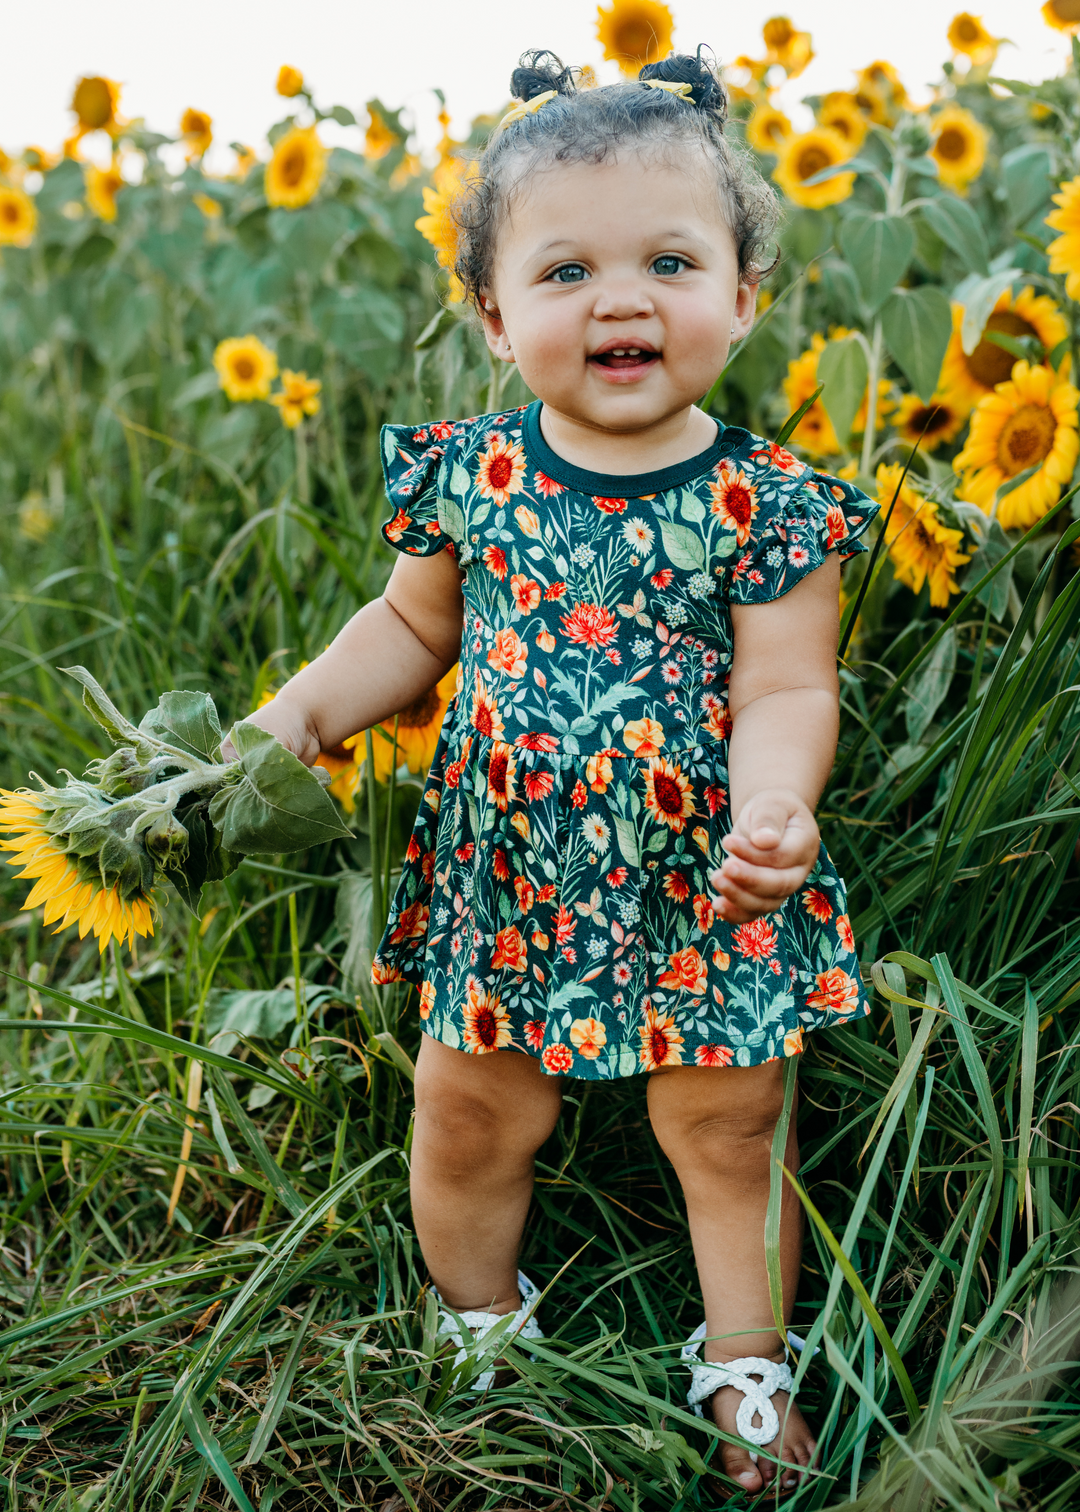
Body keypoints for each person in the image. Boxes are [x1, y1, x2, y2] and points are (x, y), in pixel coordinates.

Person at [242, 48, 877, 1496]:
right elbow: (411, 625)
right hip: (510, 870)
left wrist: (780, 799)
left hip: (710, 875)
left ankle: (746, 1362)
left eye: (670, 258)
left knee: (728, 1126)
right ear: (492, 311)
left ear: (743, 293)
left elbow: (786, 679)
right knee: (468, 1111)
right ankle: (477, 1333)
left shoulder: (767, 502)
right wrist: (297, 719)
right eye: (568, 268)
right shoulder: (473, 472)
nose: (622, 299)